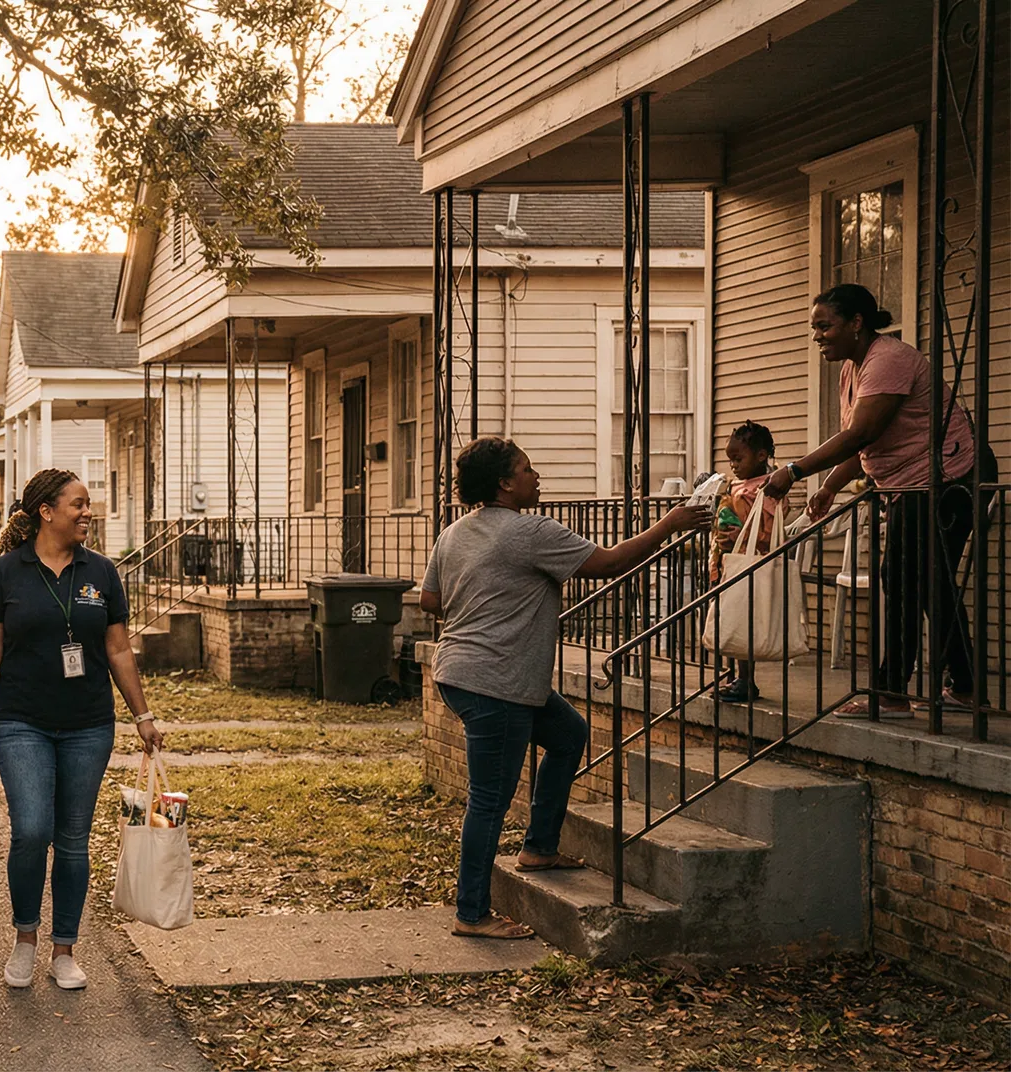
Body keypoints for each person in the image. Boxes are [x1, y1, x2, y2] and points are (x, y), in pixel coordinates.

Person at [420, 438, 709, 940]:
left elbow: (430, 600)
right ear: (506, 483)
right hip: (498, 682)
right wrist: (671, 524)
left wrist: (485, 606)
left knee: (569, 734)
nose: (537, 478)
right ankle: (472, 914)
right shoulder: (529, 531)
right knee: (489, 798)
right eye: (528, 470)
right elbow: (610, 563)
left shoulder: (455, 533)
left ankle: (539, 848)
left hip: (461, 673)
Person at [0, 468, 162, 990]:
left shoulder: (103, 572)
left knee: (72, 839)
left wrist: (143, 715)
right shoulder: (7, 571)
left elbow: (117, 649)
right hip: (24, 719)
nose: (87, 512)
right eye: (78, 504)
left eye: (87, 504)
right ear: (46, 511)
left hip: (89, 724)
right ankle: (25, 938)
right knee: (31, 831)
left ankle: (64, 948)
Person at [763, 283, 990, 716]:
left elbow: (862, 432)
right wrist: (830, 485)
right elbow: (865, 444)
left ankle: (891, 692)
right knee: (929, 583)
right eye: (815, 328)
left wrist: (794, 471)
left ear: (857, 322)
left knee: (903, 577)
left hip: (948, 479)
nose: (818, 337)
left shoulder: (889, 360)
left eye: (825, 326)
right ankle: (966, 686)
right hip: (911, 483)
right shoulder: (854, 367)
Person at [709, 420, 790, 703]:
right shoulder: (738, 486)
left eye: (738, 458)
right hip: (729, 563)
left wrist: (741, 536)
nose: (733, 464)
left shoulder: (768, 490)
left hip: (751, 565)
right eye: (730, 459)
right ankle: (736, 676)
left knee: (743, 622)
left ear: (761, 456)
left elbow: (766, 532)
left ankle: (745, 679)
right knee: (732, 617)